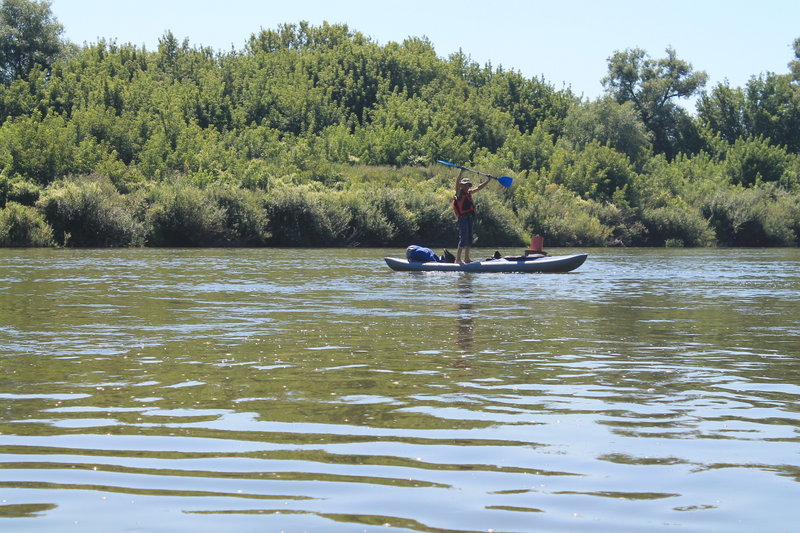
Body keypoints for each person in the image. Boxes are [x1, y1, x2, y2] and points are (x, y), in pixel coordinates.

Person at [452, 168, 491, 264]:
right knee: (463, 238)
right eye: (465, 185)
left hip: (469, 218)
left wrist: (488, 180)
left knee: (469, 238)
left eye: (468, 185)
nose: (467, 187)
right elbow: (456, 184)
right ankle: (457, 259)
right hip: (463, 219)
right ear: (462, 186)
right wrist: (461, 173)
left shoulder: (469, 193)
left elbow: (478, 188)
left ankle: (466, 258)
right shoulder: (459, 195)